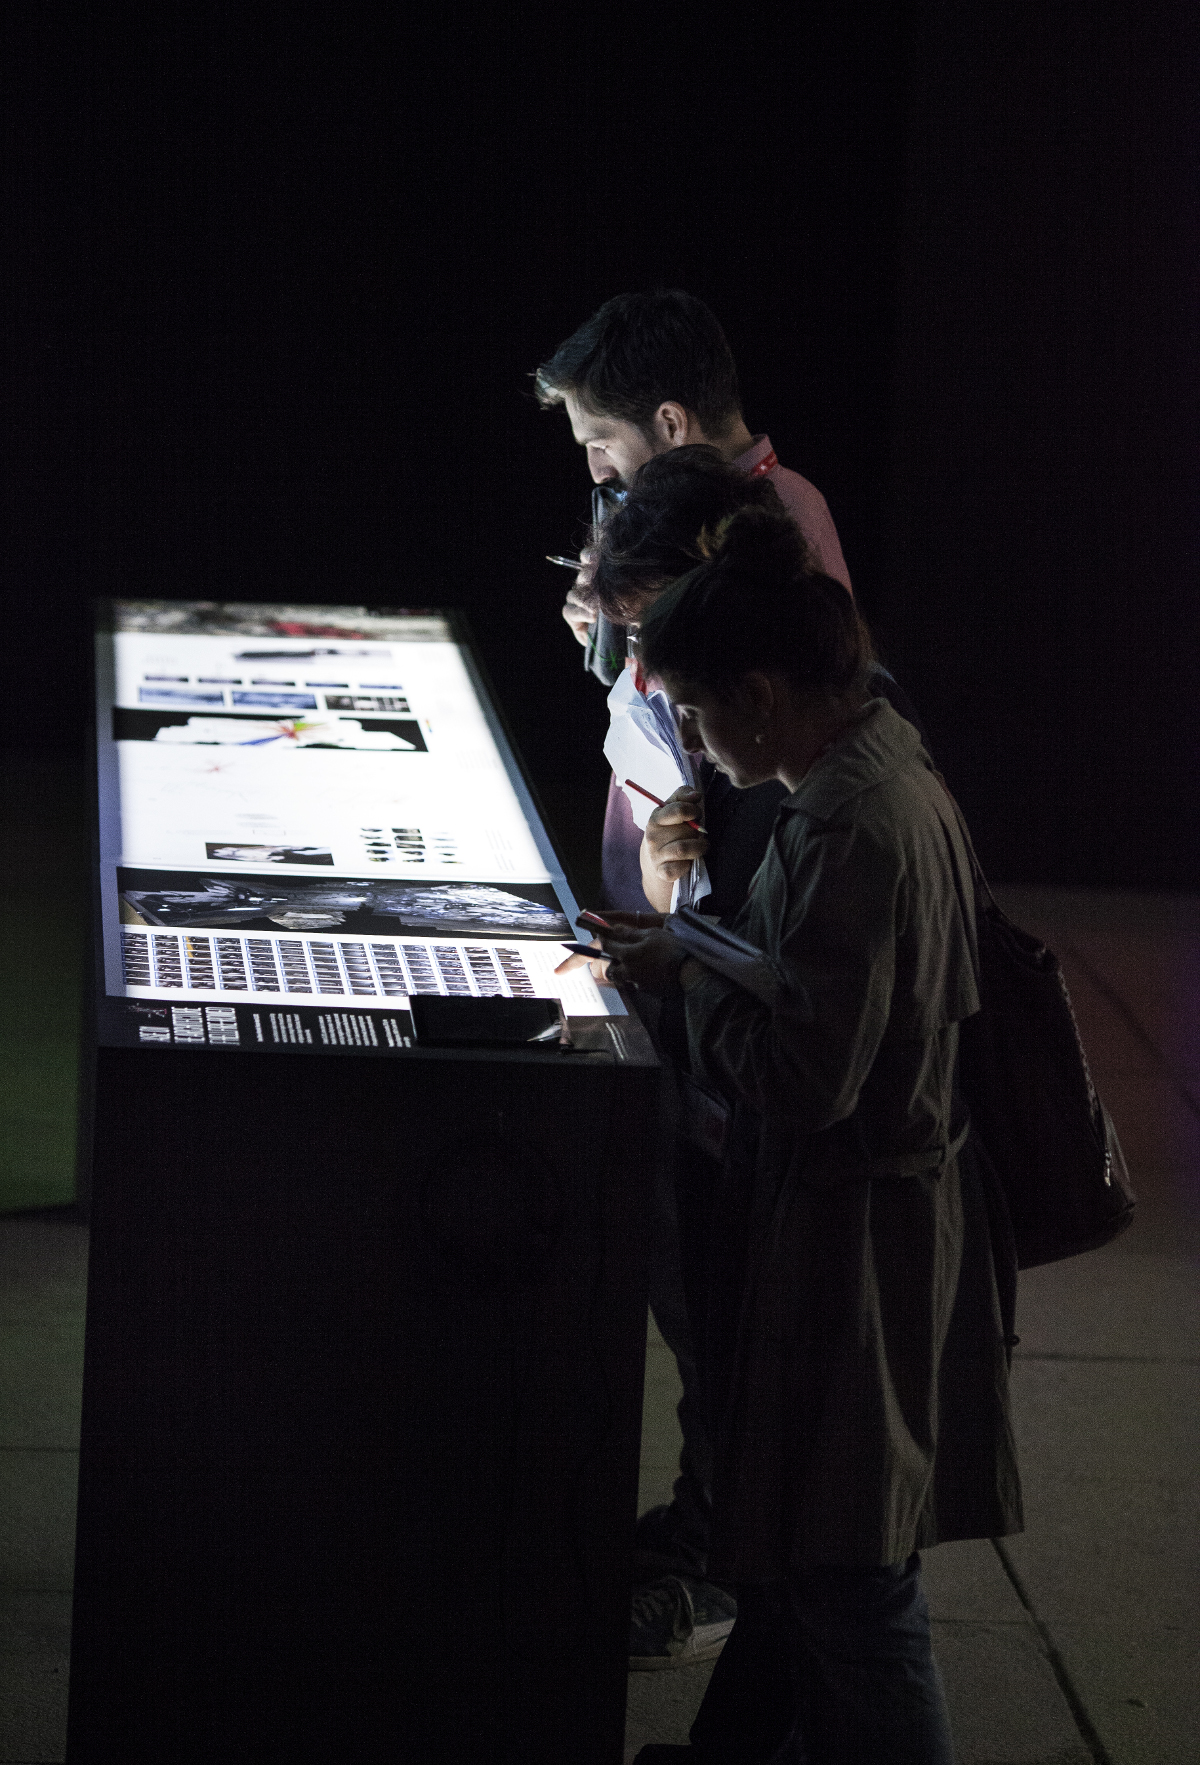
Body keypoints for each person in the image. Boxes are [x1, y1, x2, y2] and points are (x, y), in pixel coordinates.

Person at [591, 507, 1022, 1762]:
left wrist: (688, 981)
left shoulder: (848, 826)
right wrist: (700, 949)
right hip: (866, 1227)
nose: (696, 746)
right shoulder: (876, 774)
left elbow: (804, 1074)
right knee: (821, 1562)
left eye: (699, 715)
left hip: (855, 1248)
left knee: (854, 1583)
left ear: (763, 695)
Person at [535, 289, 850, 911]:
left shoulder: (774, 521)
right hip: (668, 887)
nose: (597, 470)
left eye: (602, 442)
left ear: (672, 424)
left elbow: (760, 736)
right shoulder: (736, 510)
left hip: (713, 899)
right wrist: (615, 622)